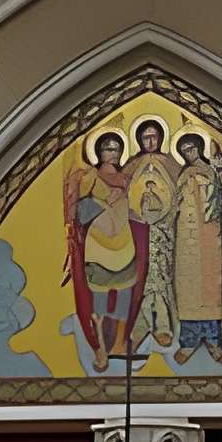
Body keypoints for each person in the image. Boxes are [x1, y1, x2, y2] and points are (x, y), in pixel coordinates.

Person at [64, 130, 144, 373]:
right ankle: (100, 347)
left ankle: (120, 343)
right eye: (108, 149)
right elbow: (78, 211)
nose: (113, 153)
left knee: (124, 295)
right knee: (98, 300)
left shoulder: (127, 179)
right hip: (98, 245)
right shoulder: (90, 177)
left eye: (116, 149)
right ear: (98, 152)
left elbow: (138, 209)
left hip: (124, 244)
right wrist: (103, 202)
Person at [171, 130, 222, 365]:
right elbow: (173, 203)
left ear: (199, 148)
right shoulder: (183, 175)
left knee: (210, 286)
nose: (189, 154)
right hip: (186, 240)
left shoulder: (212, 172)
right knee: (188, 289)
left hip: (209, 236)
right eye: (184, 151)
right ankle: (188, 342)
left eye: (191, 148)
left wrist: (216, 178)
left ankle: (213, 340)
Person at [124, 117, 180, 350]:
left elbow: (178, 194)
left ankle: (161, 325)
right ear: (138, 139)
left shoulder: (170, 164)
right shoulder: (131, 165)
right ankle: (141, 325)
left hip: (164, 228)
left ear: (161, 138)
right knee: (142, 276)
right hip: (137, 228)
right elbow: (122, 194)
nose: (150, 141)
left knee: (161, 276)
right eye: (145, 137)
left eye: (153, 136)